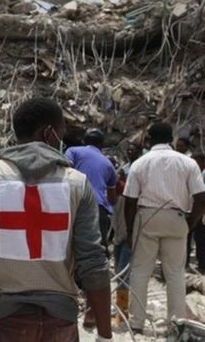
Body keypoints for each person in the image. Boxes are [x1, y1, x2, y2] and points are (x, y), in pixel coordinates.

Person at [0, 97, 112, 342]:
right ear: (49, 133)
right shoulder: (78, 184)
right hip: (60, 321)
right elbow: (94, 264)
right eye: (62, 131)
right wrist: (105, 336)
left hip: (5, 319)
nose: (62, 139)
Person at [124, 122, 205, 334]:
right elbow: (200, 198)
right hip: (177, 218)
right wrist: (189, 224)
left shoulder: (140, 163)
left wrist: (129, 231)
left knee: (141, 271)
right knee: (175, 273)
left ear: (149, 140)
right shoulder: (188, 163)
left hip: (146, 217)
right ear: (171, 139)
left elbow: (130, 201)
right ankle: (176, 324)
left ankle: (136, 323)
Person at [65, 128, 117, 327]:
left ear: (83, 140)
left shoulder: (74, 152)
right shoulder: (108, 164)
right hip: (98, 211)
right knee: (94, 261)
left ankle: (65, 309)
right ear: (101, 145)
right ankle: (90, 314)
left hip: (73, 204)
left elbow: (63, 171)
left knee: (66, 255)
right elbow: (112, 198)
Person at [110, 142, 141, 326]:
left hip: (128, 237)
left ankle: (122, 312)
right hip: (120, 237)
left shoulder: (128, 201)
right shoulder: (116, 199)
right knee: (119, 271)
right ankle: (122, 308)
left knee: (124, 272)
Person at [187, 153, 205, 273]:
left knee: (201, 238)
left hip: (200, 209)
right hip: (189, 208)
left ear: (203, 162)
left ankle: (202, 265)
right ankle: (186, 262)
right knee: (187, 237)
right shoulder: (191, 173)